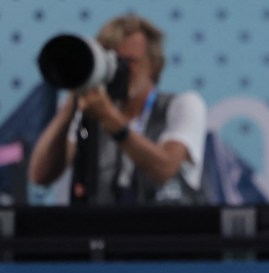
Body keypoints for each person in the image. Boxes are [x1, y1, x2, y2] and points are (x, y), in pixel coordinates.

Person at [29, 13, 207, 205]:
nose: (120, 70)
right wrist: (70, 106)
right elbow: (40, 176)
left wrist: (110, 118)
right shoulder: (88, 112)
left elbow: (165, 169)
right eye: (111, 61)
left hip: (168, 228)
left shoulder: (183, 105)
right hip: (104, 230)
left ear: (155, 65)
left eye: (129, 62)